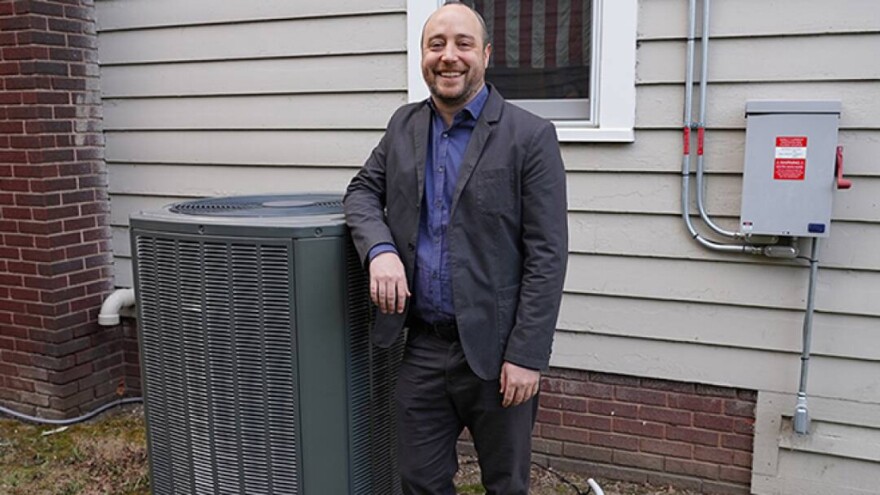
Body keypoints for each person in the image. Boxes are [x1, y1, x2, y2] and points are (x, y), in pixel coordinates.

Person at [343, 2, 567, 493]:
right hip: (421, 346)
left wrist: (527, 355)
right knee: (418, 481)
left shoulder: (529, 136)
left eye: (463, 44)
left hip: (497, 351)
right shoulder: (403, 127)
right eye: (436, 44)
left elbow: (547, 255)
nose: (449, 56)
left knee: (506, 485)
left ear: (485, 54)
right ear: (422, 55)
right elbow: (361, 192)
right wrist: (379, 249)